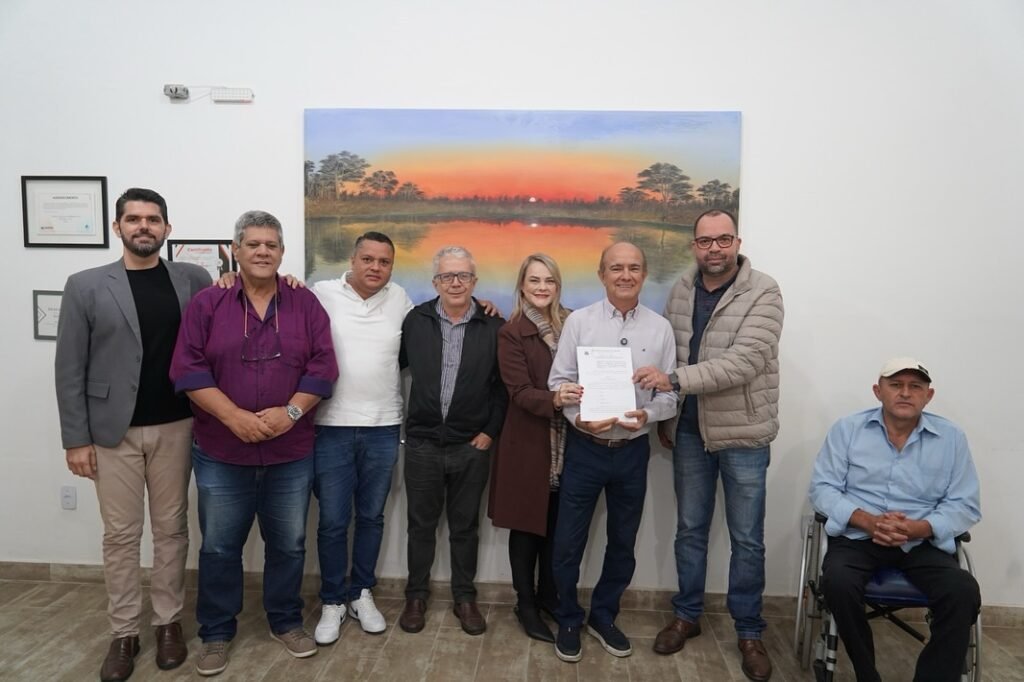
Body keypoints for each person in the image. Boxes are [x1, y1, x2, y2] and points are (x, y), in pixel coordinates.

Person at [170, 210, 338, 676]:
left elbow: (323, 367)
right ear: (236, 250)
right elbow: (188, 369)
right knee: (220, 548)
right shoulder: (208, 303)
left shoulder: (304, 304)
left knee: (288, 545)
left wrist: (290, 413)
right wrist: (233, 416)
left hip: (290, 451)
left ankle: (285, 621)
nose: (263, 251)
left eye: (271, 245)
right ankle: (216, 632)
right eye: (254, 244)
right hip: (222, 451)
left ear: (282, 252)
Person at [55, 188, 211, 682]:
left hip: (177, 426)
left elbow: (221, 323)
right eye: (134, 218)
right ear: (117, 226)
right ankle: (124, 632)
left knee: (172, 531)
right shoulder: (85, 285)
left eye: (153, 219)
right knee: (121, 536)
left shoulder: (193, 279)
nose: (144, 226)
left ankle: (167, 623)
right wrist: (75, 439)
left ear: (167, 228)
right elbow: (69, 367)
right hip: (110, 432)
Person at [634, 208, 783, 681]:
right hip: (689, 432)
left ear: (737, 242)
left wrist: (674, 381)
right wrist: (668, 413)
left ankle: (749, 630)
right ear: (693, 245)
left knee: (747, 540)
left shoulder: (764, 291)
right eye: (704, 241)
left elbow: (745, 361)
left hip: (743, 434)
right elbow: (670, 352)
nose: (713, 248)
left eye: (723, 239)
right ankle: (687, 615)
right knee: (690, 531)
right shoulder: (681, 289)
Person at [809, 358, 981, 682]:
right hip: (859, 538)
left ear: (928, 396)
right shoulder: (848, 429)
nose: (905, 393)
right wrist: (867, 521)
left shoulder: (951, 438)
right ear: (878, 391)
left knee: (963, 591)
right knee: (837, 583)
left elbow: (965, 503)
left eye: (915, 386)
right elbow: (822, 488)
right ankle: (867, 674)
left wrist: (920, 528)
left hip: (921, 542)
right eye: (896, 385)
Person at [547, 242, 677, 663]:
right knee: (568, 543)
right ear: (602, 275)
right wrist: (579, 418)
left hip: (632, 452)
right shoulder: (580, 322)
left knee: (623, 542)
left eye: (634, 268)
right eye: (616, 268)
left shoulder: (660, 329)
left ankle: (604, 616)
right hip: (585, 449)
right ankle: (569, 618)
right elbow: (558, 383)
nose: (625, 275)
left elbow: (670, 396)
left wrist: (648, 414)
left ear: (644, 274)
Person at [307, 232, 412, 643]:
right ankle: (332, 599)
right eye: (367, 259)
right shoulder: (320, 294)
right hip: (330, 425)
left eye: (384, 262)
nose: (375, 267)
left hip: (384, 426)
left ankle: (360, 593)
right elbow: (276, 298)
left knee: (371, 516)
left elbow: (437, 322)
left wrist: (483, 305)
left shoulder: (400, 299)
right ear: (352, 260)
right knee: (333, 520)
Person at [398, 246, 508, 637]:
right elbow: (391, 366)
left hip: (471, 446)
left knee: (465, 528)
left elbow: (503, 388)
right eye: (447, 276)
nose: (455, 282)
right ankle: (416, 596)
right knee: (420, 527)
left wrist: (489, 432)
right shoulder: (416, 321)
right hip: (422, 444)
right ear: (436, 282)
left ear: (474, 282)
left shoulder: (494, 326)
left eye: (463, 275)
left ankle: (465, 597)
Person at [488, 254, 581, 643]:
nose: (542, 287)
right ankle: (525, 604)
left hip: (572, 441)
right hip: (527, 442)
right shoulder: (511, 332)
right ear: (522, 287)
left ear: (558, 286)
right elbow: (520, 392)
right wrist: (556, 399)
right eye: (534, 280)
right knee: (527, 527)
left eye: (550, 281)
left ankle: (549, 596)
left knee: (558, 527)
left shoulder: (576, 323)